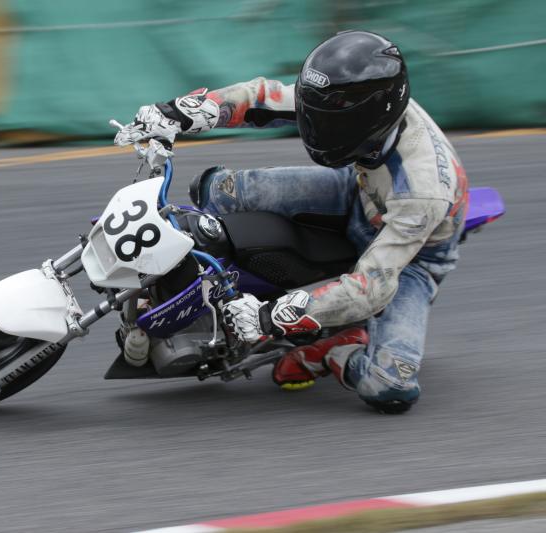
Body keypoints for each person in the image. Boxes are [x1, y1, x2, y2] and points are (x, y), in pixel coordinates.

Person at [113, 30, 468, 414]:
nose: (316, 127)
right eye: (314, 114)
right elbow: (261, 98)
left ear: (368, 121)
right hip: (358, 190)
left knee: (390, 385)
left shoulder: (422, 191)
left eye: (329, 122)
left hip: (413, 255)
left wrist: (269, 317)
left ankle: (334, 349)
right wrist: (182, 111)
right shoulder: (354, 108)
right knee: (217, 189)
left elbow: (372, 287)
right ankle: (198, 282)